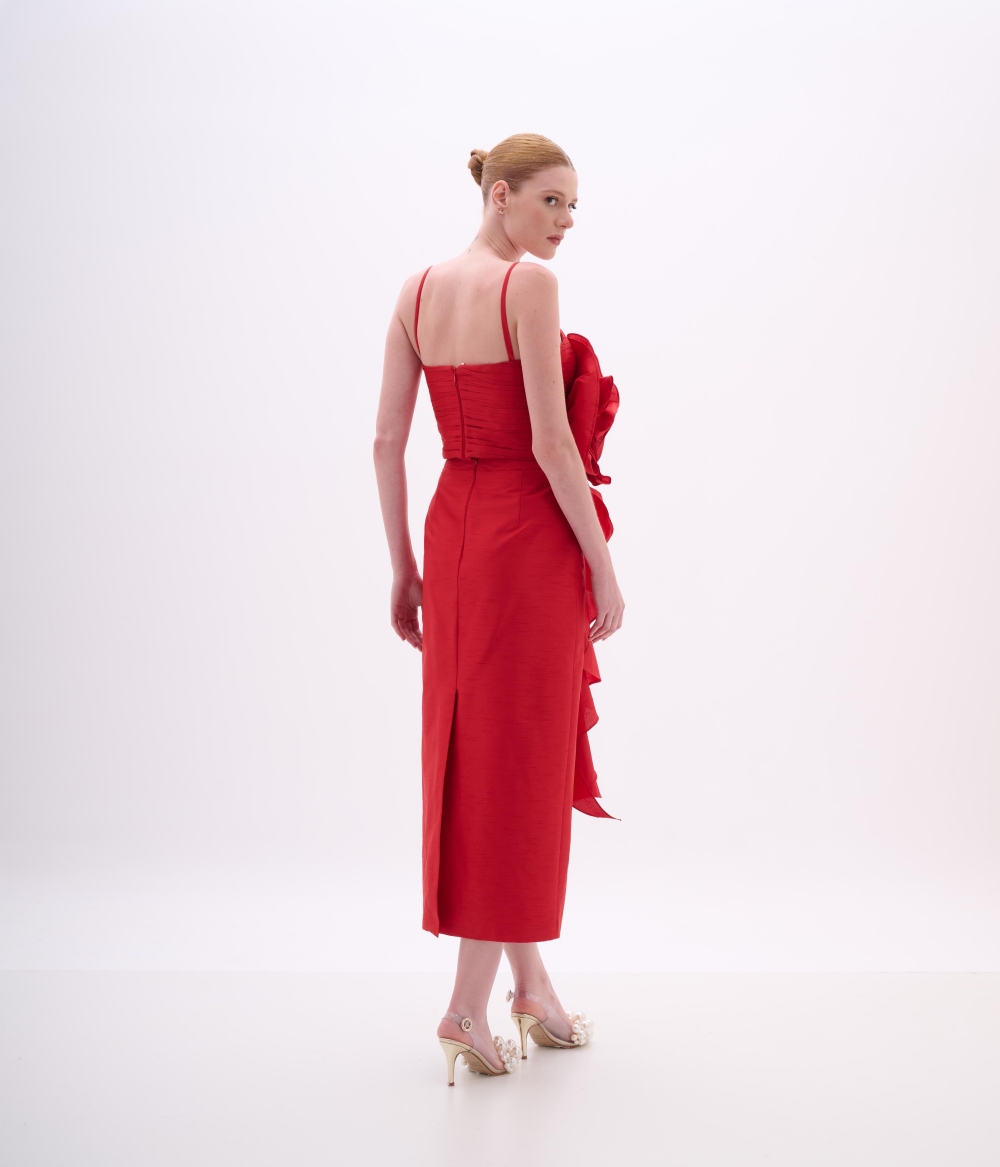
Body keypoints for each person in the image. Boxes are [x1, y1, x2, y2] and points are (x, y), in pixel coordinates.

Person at [373, 133, 624, 1085]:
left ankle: (533, 992)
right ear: (501, 195)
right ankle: (465, 1006)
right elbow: (553, 447)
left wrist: (403, 567)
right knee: (513, 763)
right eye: (552, 201)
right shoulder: (528, 286)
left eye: (574, 205)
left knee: (480, 751)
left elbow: (387, 440)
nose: (567, 221)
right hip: (525, 539)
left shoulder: (417, 291)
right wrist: (603, 566)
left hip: (453, 532)